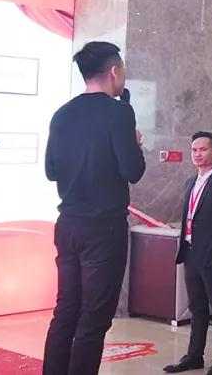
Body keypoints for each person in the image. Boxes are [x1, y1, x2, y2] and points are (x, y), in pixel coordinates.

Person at [43, 41, 146, 375]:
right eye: (123, 70)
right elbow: (133, 170)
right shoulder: (119, 113)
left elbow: (51, 171)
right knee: (93, 318)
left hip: (68, 224)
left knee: (66, 311)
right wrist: (134, 144)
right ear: (114, 71)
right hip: (104, 228)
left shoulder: (62, 114)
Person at [165, 133, 212, 375]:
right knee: (197, 307)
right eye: (194, 150)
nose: (198, 154)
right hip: (190, 252)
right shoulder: (190, 182)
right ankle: (194, 355)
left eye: (203, 149)